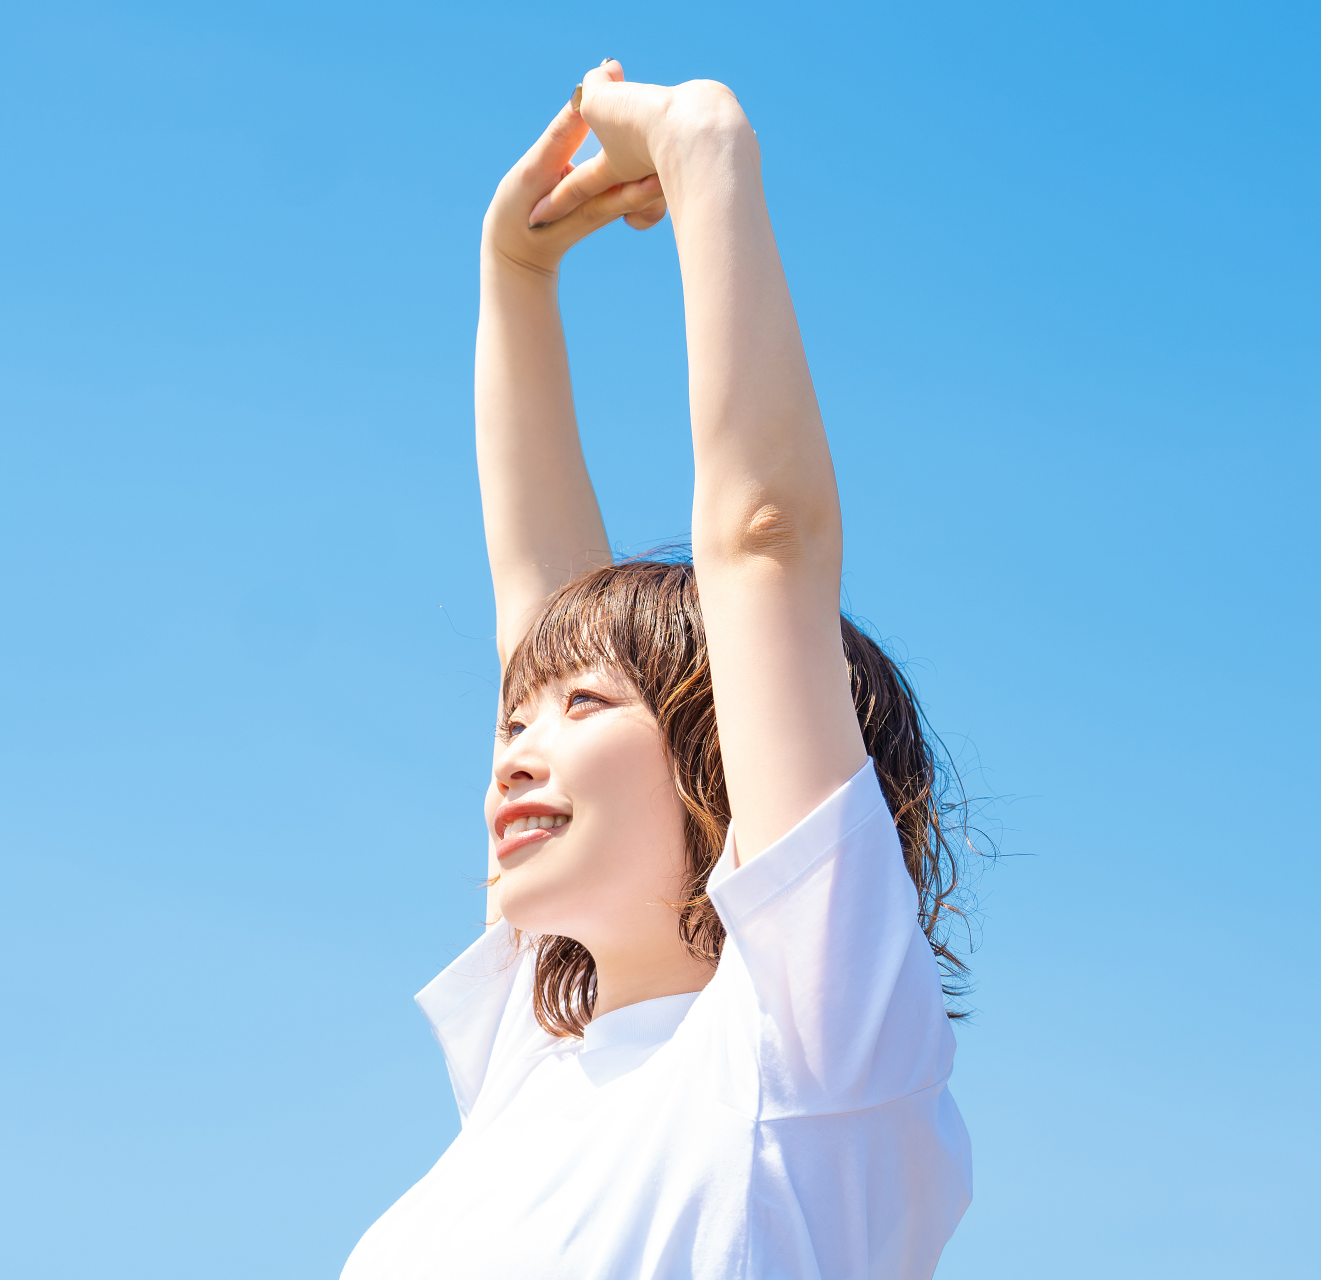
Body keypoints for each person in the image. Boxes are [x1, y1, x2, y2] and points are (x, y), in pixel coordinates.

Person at [340, 61, 974, 1279]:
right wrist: (517, 276)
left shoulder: (808, 1052)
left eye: (585, 706)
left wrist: (702, 147)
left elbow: (764, 541)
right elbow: (538, 605)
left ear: (719, 763)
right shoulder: (536, 1079)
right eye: (518, 714)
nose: (519, 739)